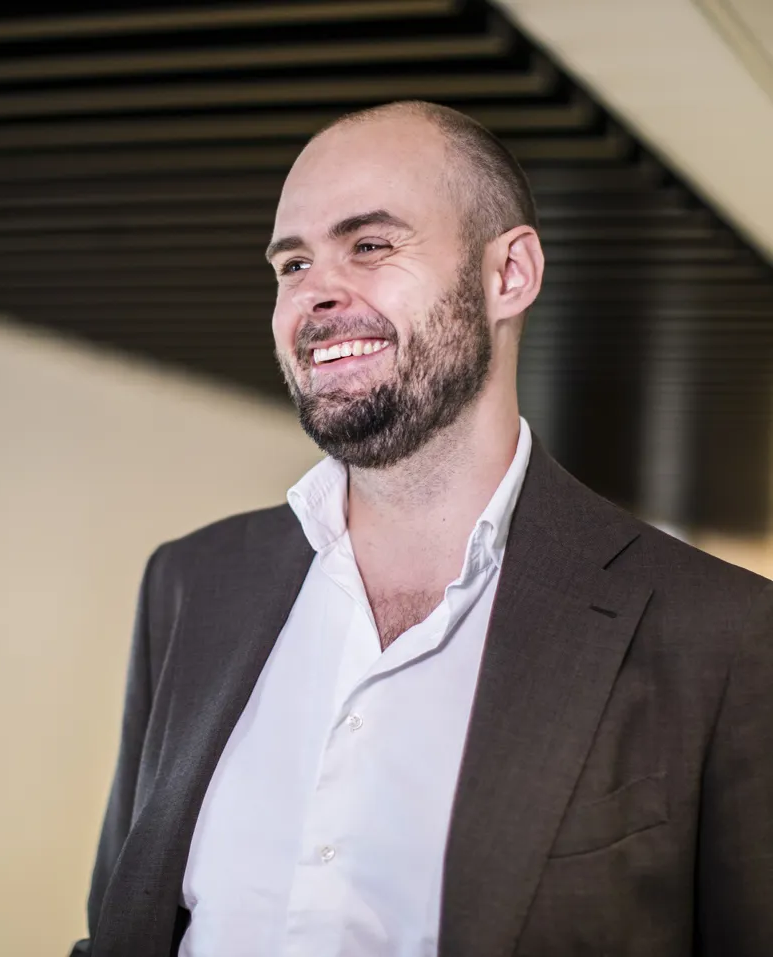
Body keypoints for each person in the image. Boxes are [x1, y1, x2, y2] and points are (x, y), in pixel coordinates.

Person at [70, 101, 773, 957]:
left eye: (370, 245)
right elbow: (120, 928)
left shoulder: (720, 634)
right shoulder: (190, 582)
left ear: (509, 273)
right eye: (293, 263)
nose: (316, 292)